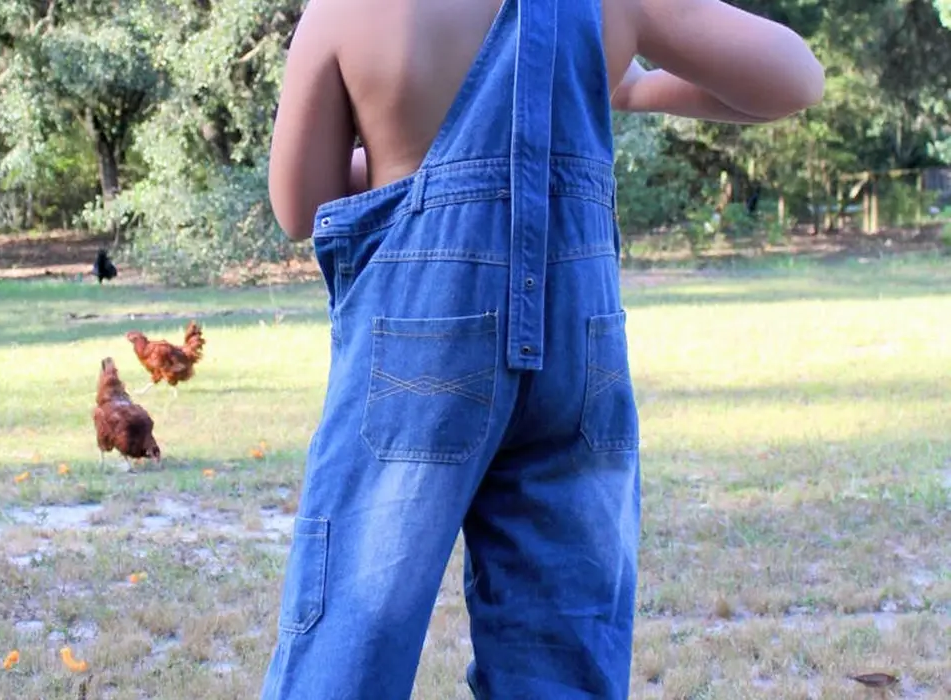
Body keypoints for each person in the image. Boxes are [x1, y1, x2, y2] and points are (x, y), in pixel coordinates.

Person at [261, 0, 823, 698]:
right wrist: (638, 88)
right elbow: (796, 80)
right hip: (577, 362)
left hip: (416, 353)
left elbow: (300, 202)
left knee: (352, 628)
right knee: (562, 640)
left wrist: (406, 163)